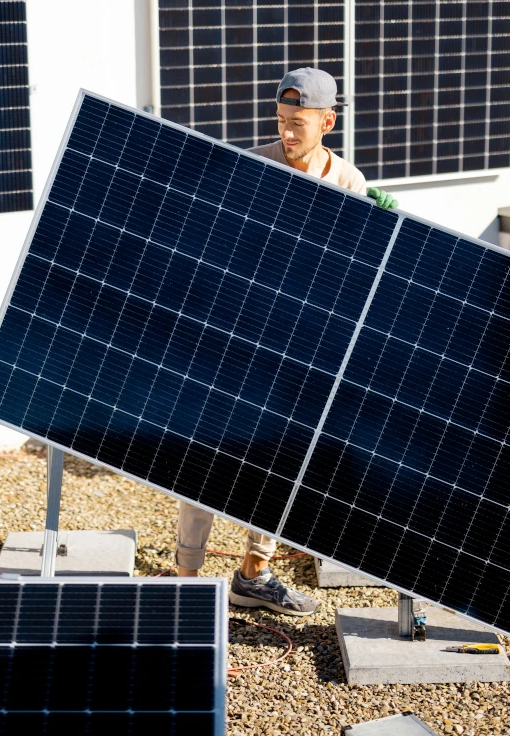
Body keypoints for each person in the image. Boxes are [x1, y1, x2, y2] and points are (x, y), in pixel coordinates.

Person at [175, 67, 399, 616]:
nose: (288, 133)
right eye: (281, 122)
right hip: (237, 332)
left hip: (297, 343)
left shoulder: (349, 183)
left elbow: (346, 275)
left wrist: (376, 230)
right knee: (205, 453)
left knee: (278, 461)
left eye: (299, 123)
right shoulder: (251, 166)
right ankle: (185, 580)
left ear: (329, 121)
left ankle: (253, 573)